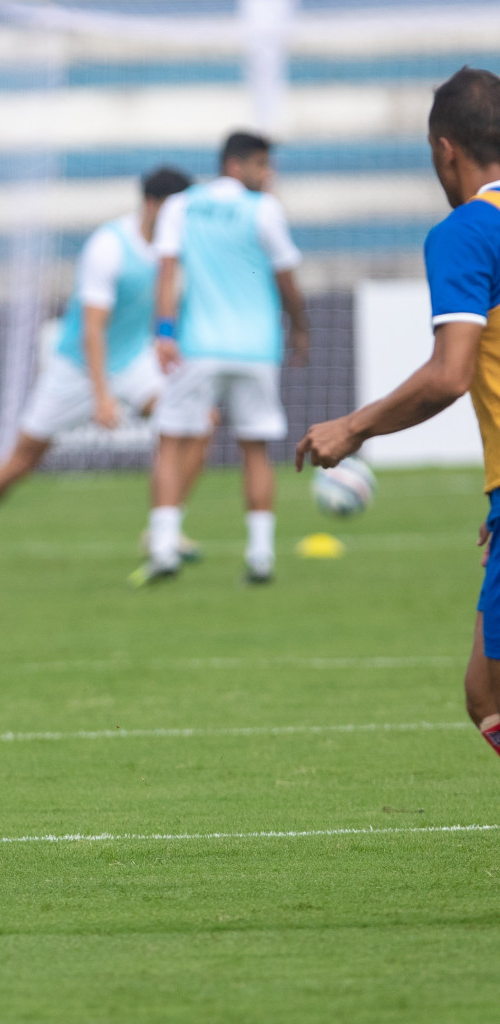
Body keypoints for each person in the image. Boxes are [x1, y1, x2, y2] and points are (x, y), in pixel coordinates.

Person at [298, 66, 500, 759]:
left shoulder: (469, 231)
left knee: (491, 694)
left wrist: (352, 428)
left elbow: (449, 375)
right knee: (485, 689)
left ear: (445, 149)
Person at [0, 167, 194, 540]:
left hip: (132, 361)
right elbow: (92, 330)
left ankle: (164, 530)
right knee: (22, 461)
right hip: (77, 368)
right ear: (151, 204)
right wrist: (102, 397)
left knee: (194, 420)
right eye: (177, 209)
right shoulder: (109, 246)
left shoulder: (173, 248)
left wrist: (166, 338)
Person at [132, 131, 310, 587]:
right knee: (255, 448)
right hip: (256, 347)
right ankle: (260, 554)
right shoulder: (264, 208)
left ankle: (165, 546)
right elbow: (286, 276)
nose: (268, 175)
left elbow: (167, 271)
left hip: (198, 346)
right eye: (262, 165)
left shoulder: (181, 206)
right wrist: (301, 328)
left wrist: (164, 332)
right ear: (237, 164)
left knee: (171, 440)